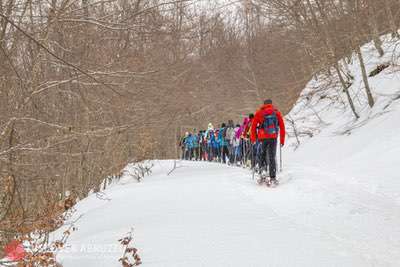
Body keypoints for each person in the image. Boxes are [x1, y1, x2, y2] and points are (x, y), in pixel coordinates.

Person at [250, 99, 285, 184]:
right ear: (271, 104)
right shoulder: (276, 112)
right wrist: (282, 140)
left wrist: (254, 139)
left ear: (264, 104)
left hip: (262, 137)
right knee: (272, 156)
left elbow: (253, 127)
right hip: (273, 137)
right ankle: (273, 177)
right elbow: (282, 126)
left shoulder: (259, 113)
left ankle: (262, 173)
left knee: (262, 155)